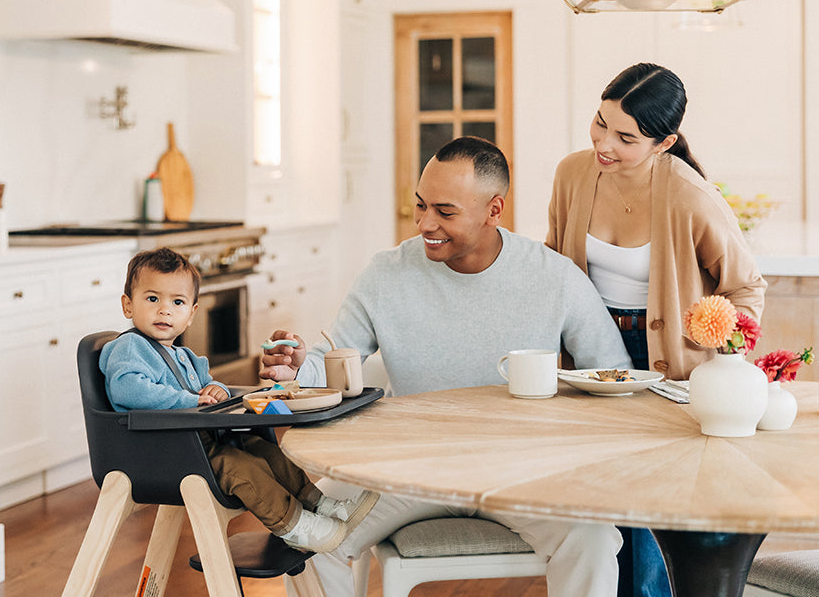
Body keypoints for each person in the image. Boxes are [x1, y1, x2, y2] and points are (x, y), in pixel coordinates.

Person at [260, 136, 632, 597]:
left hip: (522, 470)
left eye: (445, 211)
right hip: (405, 466)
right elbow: (334, 357)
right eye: (420, 205)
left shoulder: (554, 277)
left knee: (593, 539)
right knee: (305, 536)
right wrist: (299, 368)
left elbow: (613, 376)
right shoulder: (387, 273)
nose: (425, 224)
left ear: (494, 210)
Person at [545, 62, 768, 597]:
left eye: (626, 137)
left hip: (665, 359)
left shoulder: (690, 196)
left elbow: (745, 287)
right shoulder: (572, 174)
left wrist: (719, 348)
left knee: (647, 506)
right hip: (590, 354)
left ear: (664, 142)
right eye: (600, 123)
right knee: (600, 496)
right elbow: (553, 265)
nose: (604, 142)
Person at [100, 247, 378, 553]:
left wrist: (216, 389)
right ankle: (295, 526)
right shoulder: (128, 347)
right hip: (166, 453)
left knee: (265, 450)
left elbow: (207, 386)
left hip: (200, 443)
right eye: (152, 299)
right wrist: (189, 399)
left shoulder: (186, 356)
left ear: (191, 314)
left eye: (177, 302)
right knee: (241, 469)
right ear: (128, 305)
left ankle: (319, 504)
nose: (164, 310)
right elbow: (128, 389)